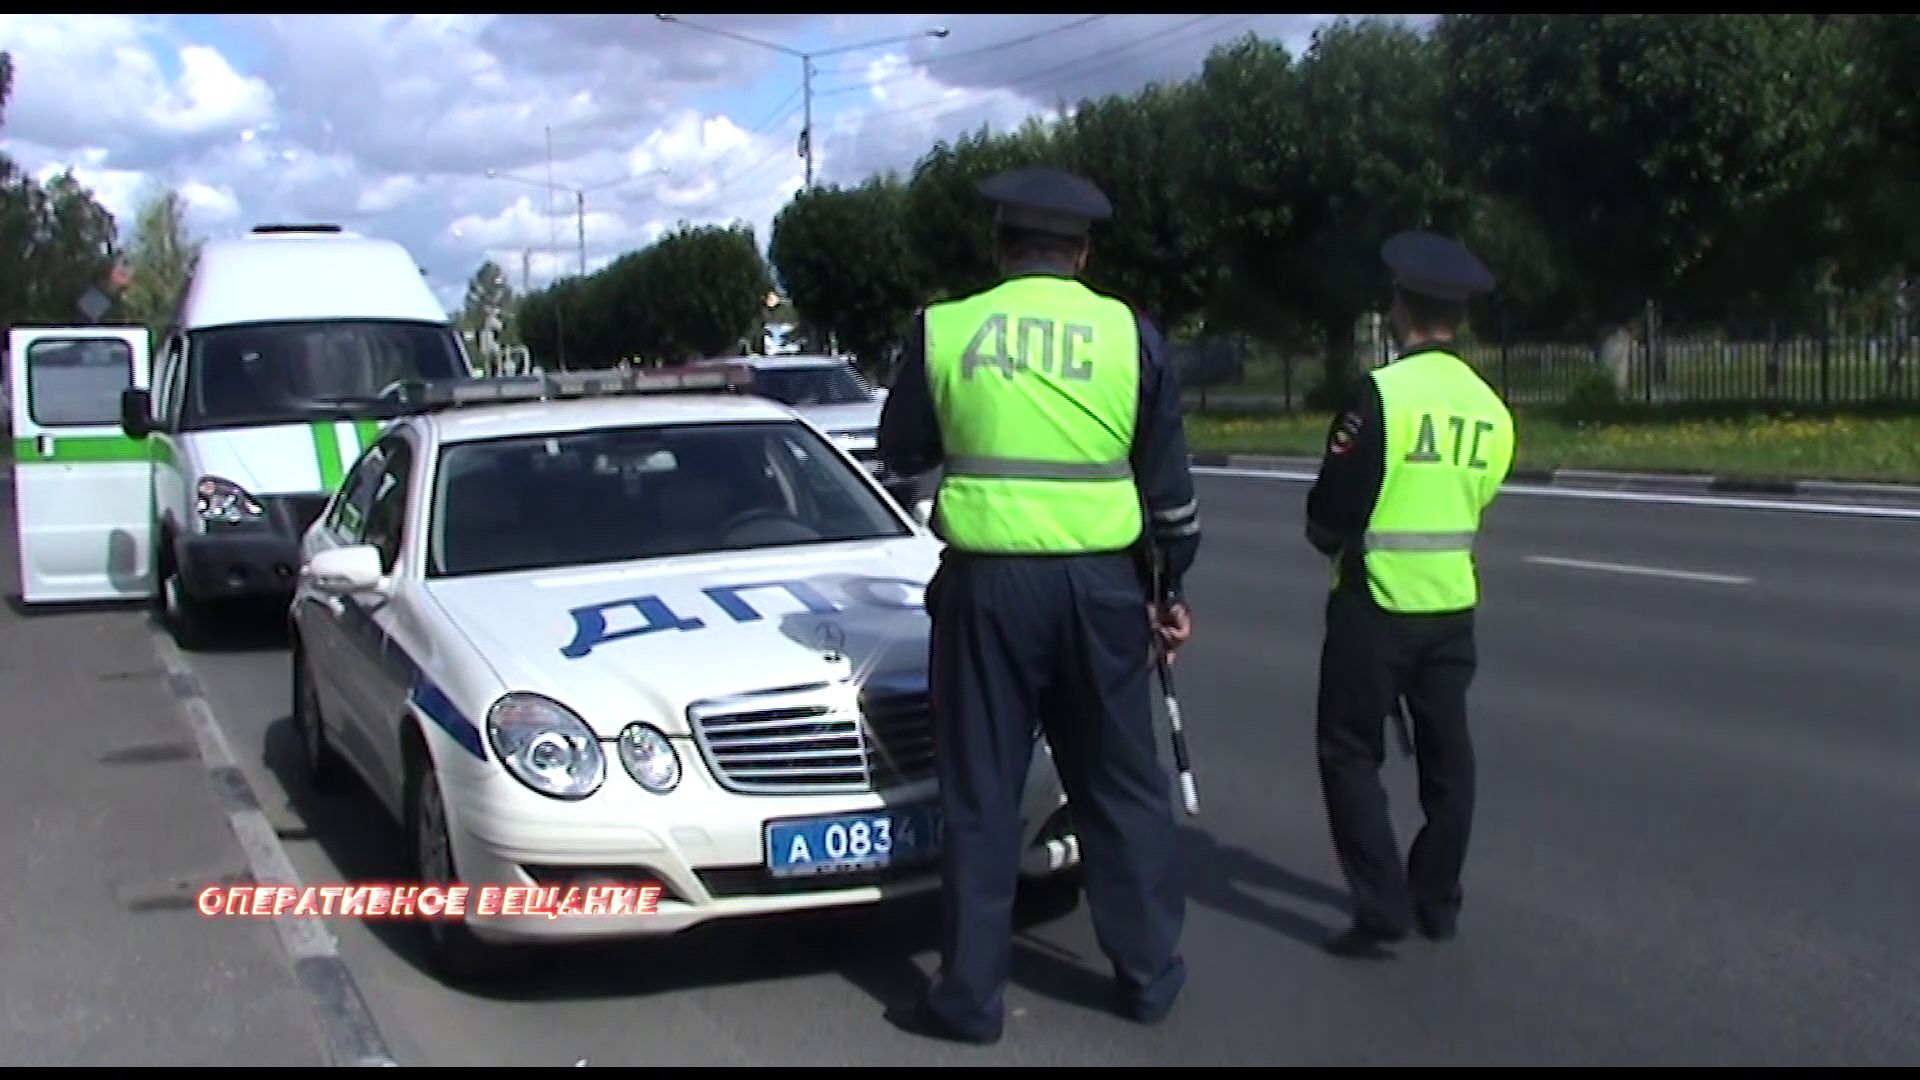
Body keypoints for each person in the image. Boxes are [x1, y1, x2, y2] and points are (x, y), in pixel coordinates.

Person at [876, 165, 1202, 1044]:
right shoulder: (1132, 336)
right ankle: (1146, 974)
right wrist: (1168, 591)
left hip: (988, 590)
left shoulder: (946, 328)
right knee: (1122, 784)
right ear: (1084, 253)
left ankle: (971, 998)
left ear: (1001, 248)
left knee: (981, 792)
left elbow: (899, 449)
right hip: (1101, 589)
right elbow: (1169, 492)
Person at [1303, 230, 1515, 958]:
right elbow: (1478, 495)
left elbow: (1334, 510)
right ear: (1457, 317)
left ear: (1400, 308)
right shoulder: (1491, 409)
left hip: (1376, 604)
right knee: (1448, 758)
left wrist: (1326, 535)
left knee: (1348, 752)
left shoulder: (1380, 396)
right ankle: (1438, 897)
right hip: (1451, 607)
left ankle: (1382, 903)